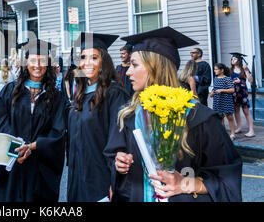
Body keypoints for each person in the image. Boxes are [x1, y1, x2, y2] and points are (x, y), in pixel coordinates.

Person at [108, 26, 242, 202]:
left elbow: (227, 180)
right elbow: (112, 156)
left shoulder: (198, 118)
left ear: (156, 67)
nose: (128, 72)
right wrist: (119, 162)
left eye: (134, 65)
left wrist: (186, 183)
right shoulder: (129, 115)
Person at [0, 39, 68, 202]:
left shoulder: (56, 96)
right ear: (26, 63)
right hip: (14, 159)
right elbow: (0, 123)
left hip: (41, 164)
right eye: (33, 60)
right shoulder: (11, 90)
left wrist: (33, 146)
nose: (37, 65)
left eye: (42, 61)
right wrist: (17, 148)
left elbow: (58, 129)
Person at [67, 33, 131, 202]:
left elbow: (118, 141)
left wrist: (113, 181)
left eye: (94, 58)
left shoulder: (114, 94)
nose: (87, 63)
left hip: (100, 179)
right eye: (83, 57)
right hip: (78, 175)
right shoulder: (80, 95)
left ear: (104, 62)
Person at [230, 53, 255, 138]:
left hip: (243, 92)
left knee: (246, 111)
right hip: (234, 93)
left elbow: (250, 80)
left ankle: (251, 130)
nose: (232, 60)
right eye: (232, 59)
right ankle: (239, 127)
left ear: (239, 60)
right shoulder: (230, 70)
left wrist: (247, 71)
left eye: (235, 59)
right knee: (236, 110)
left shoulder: (243, 69)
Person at [210, 63, 236, 140]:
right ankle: (223, 133)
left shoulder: (227, 79)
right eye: (214, 69)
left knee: (229, 116)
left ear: (222, 70)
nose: (214, 71)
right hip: (218, 101)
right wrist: (212, 92)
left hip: (226, 100)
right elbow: (215, 88)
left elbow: (232, 90)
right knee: (220, 117)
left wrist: (222, 90)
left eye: (216, 69)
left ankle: (233, 133)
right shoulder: (215, 78)